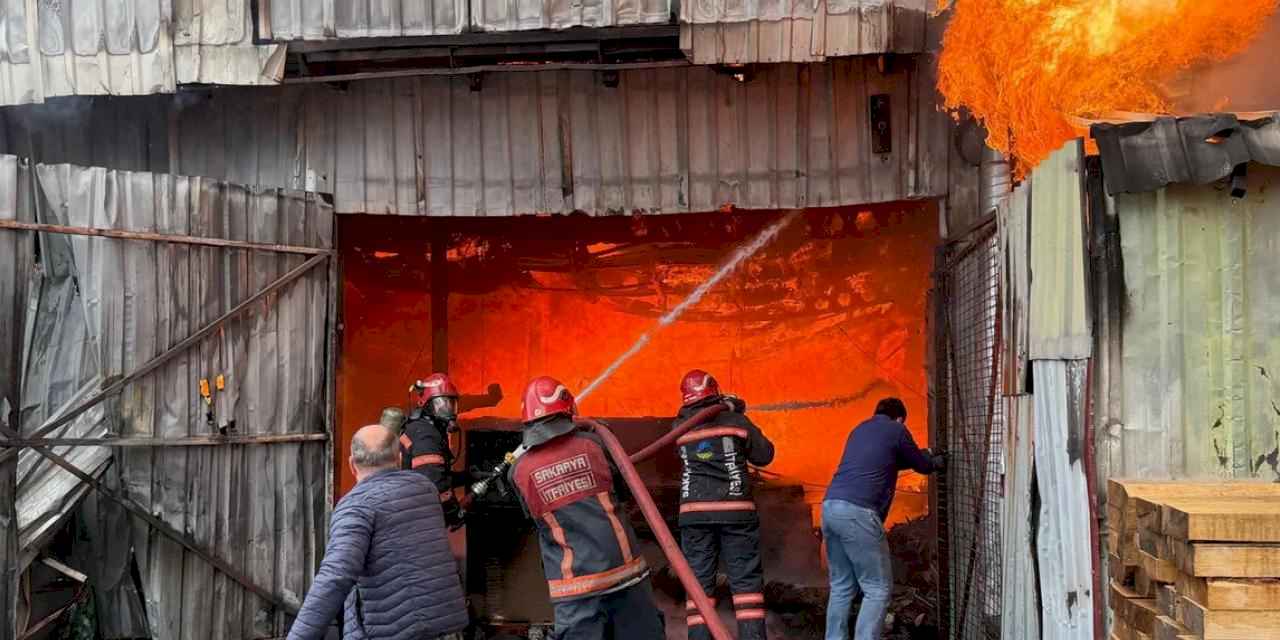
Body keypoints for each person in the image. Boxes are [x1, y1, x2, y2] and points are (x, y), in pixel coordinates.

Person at [507, 376, 665, 640]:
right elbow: (625, 493)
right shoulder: (596, 444)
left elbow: (534, 521)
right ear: (567, 408)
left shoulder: (518, 471)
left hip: (573, 589)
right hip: (624, 577)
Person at [287, 424, 468, 640]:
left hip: (390, 631)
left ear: (352, 464)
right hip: (443, 625)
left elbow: (335, 577)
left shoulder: (355, 507)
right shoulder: (425, 488)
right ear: (399, 459)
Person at [821, 398, 943, 640]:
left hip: (830, 507)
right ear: (899, 418)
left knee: (842, 587)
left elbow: (888, 461)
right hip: (858, 513)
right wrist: (933, 461)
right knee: (877, 589)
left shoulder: (859, 430)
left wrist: (924, 454)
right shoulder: (896, 429)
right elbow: (920, 465)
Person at [672, 369, 775, 640]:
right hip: (735, 513)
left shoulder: (678, 426)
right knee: (746, 585)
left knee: (698, 588)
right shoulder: (735, 419)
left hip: (693, 515)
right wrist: (736, 412)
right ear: (715, 392)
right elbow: (764, 455)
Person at [400, 373, 464, 527]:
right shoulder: (426, 434)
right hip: (417, 520)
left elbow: (437, 473)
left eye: (451, 404)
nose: (448, 410)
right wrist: (453, 512)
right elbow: (435, 481)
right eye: (441, 404)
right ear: (426, 405)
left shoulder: (423, 429)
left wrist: (468, 477)